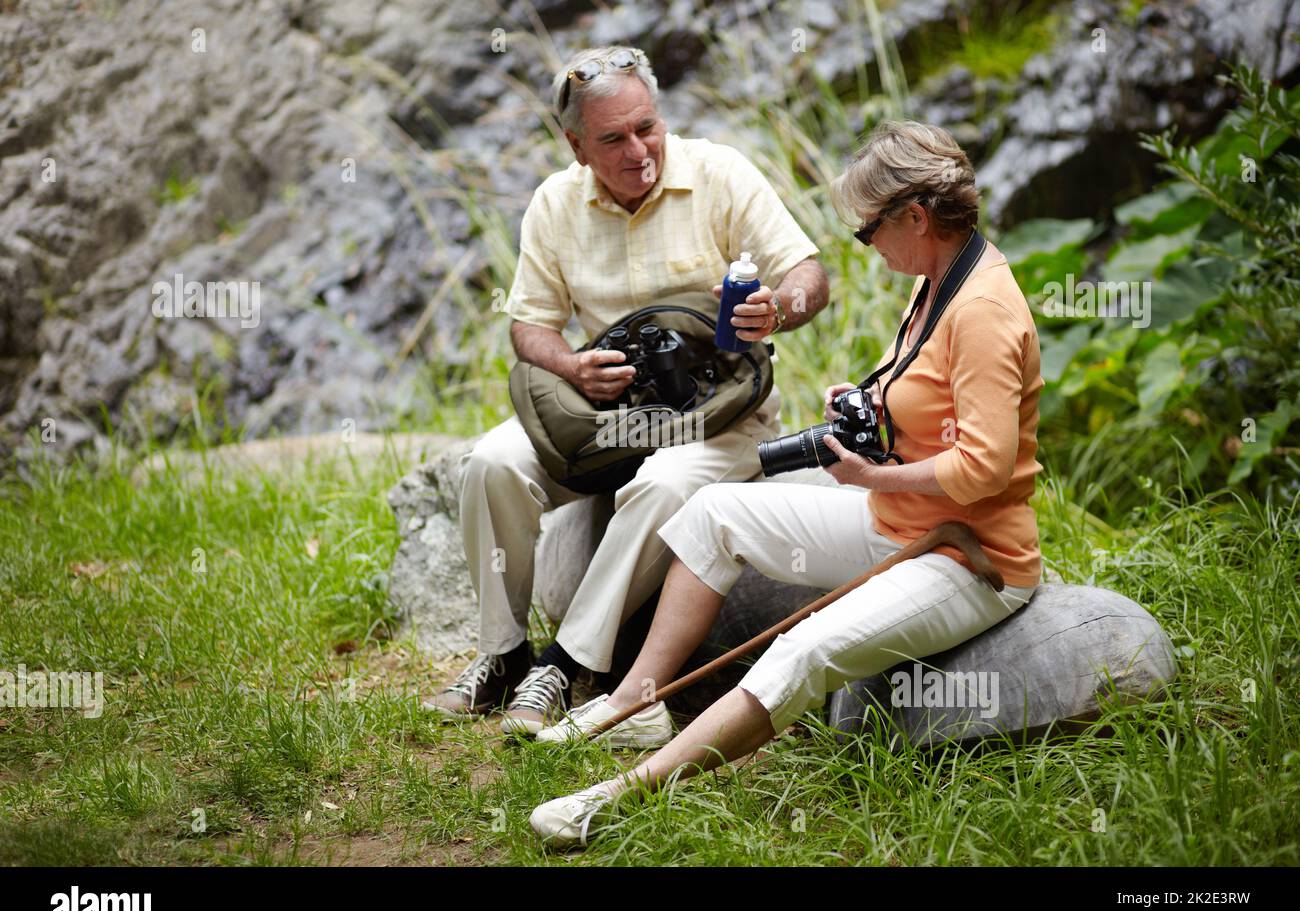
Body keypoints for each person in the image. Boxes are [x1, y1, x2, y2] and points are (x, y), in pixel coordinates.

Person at [529, 119, 1046, 848]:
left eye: (869, 231)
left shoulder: (983, 308)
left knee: (802, 650)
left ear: (916, 217)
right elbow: (935, 406)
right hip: (901, 521)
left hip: (969, 555)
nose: (867, 247)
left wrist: (868, 472)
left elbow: (986, 469)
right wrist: (873, 401)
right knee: (713, 512)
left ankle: (614, 800)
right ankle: (638, 700)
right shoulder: (937, 280)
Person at [423, 46, 830, 736]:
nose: (639, 150)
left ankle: (566, 662)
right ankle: (501, 655)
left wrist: (779, 308)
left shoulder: (721, 173)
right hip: (610, 414)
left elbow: (810, 274)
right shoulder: (555, 203)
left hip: (723, 419)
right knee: (490, 464)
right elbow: (529, 327)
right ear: (575, 145)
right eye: (613, 138)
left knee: (664, 483)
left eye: (648, 127)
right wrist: (572, 367)